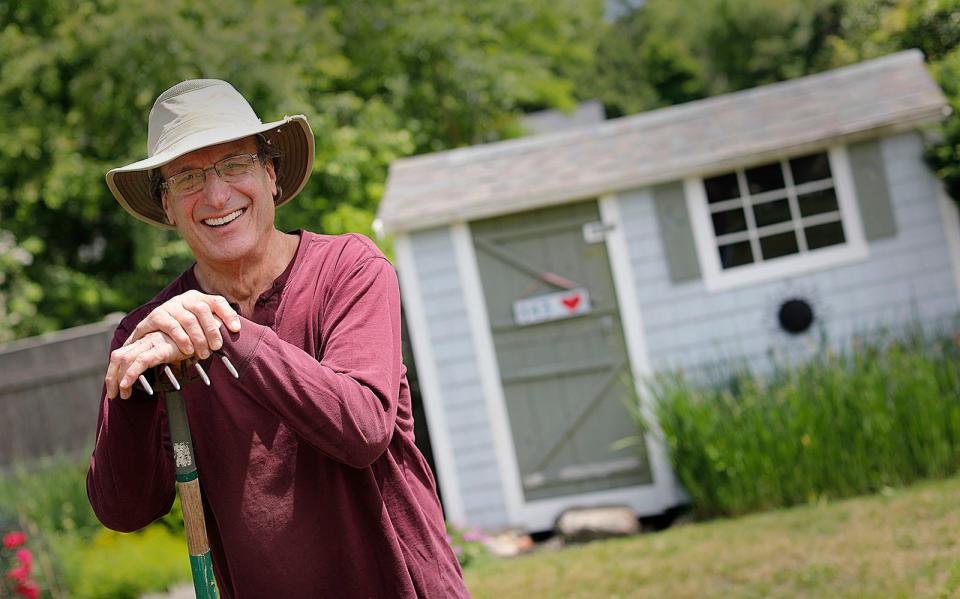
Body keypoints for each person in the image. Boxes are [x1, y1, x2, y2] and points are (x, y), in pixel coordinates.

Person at [87, 79, 470, 598]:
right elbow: (125, 510)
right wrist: (127, 395)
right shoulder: (155, 333)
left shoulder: (350, 270)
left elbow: (361, 430)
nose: (217, 194)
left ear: (270, 174)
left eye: (235, 164)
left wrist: (229, 333)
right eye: (188, 178)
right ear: (168, 207)